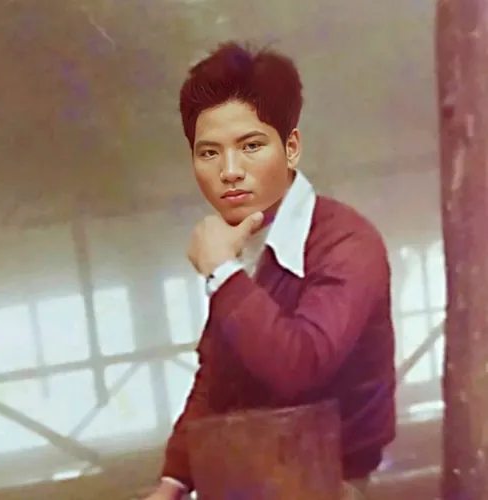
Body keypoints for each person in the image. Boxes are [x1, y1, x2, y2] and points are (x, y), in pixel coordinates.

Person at [146, 41, 396, 500]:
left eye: (251, 146)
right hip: (248, 481)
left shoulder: (346, 242)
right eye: (209, 153)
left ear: (291, 148)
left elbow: (301, 366)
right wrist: (172, 483)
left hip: (330, 488)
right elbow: (218, 380)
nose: (230, 171)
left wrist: (223, 273)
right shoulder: (244, 241)